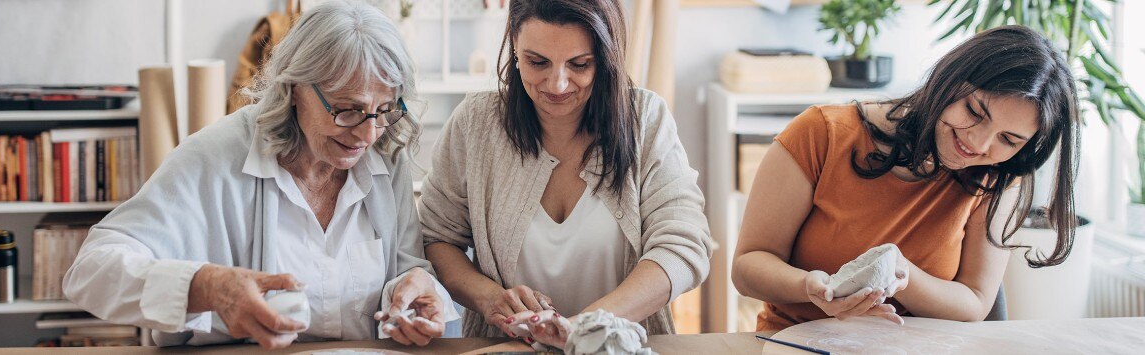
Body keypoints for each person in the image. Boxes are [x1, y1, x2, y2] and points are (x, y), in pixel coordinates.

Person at [63, 1, 457, 349]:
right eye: (347, 110)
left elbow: (407, 267)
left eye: (385, 109)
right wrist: (206, 287)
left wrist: (416, 290)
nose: (368, 134)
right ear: (296, 87)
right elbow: (91, 271)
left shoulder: (385, 153)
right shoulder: (215, 156)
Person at [732, 25, 1081, 331]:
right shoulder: (822, 134)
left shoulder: (996, 178)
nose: (978, 144)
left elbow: (975, 302)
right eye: (974, 111)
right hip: (798, 342)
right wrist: (809, 287)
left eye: (1008, 140)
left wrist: (903, 276)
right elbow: (748, 266)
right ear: (948, 78)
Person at [419, 0, 712, 348]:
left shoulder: (646, 120)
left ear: (606, 57)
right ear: (514, 42)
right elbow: (436, 237)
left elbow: (683, 247)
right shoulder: (476, 123)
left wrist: (585, 327)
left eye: (580, 64)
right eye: (537, 62)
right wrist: (488, 298)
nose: (557, 85)